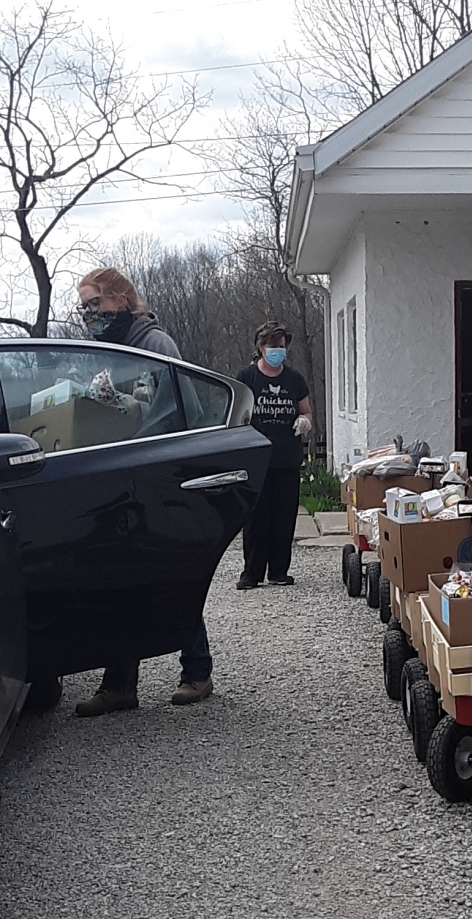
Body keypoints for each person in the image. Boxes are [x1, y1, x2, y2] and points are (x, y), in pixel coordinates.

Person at [72, 267, 216, 715]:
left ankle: (197, 672)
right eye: (84, 308)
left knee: (172, 576)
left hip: (158, 478)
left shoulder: (155, 345)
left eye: (95, 303)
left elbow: (176, 412)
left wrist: (125, 409)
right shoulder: (109, 352)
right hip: (118, 480)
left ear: (120, 298)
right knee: (120, 581)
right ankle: (119, 684)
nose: (90, 314)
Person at [235, 320, 312, 589]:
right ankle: (251, 573)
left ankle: (279, 571)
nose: (277, 350)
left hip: (286, 459)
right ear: (260, 347)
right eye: (272, 346)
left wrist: (304, 421)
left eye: (281, 346)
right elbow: (236, 412)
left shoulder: (294, 379)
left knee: (283, 517)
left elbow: (305, 410)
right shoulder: (246, 378)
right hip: (256, 460)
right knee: (255, 519)